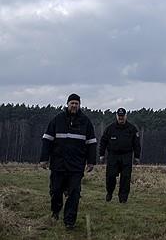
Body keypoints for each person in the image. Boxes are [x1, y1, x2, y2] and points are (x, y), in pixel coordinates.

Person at [39, 93, 97, 230]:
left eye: (77, 103)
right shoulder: (57, 120)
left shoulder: (85, 122)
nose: (74, 105)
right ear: (67, 104)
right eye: (72, 103)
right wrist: (43, 159)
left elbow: (91, 143)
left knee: (74, 193)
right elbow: (47, 140)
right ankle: (55, 210)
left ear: (79, 105)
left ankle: (69, 221)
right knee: (56, 190)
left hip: (76, 166)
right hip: (58, 164)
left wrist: (91, 162)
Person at [99, 108, 141, 203]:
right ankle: (109, 192)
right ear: (116, 116)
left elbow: (136, 144)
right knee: (110, 176)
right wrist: (101, 154)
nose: (121, 118)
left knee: (125, 178)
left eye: (122, 116)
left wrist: (137, 157)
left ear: (126, 116)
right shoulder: (110, 128)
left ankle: (123, 198)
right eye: (119, 116)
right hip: (113, 156)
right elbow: (103, 141)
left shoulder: (132, 129)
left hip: (126, 155)